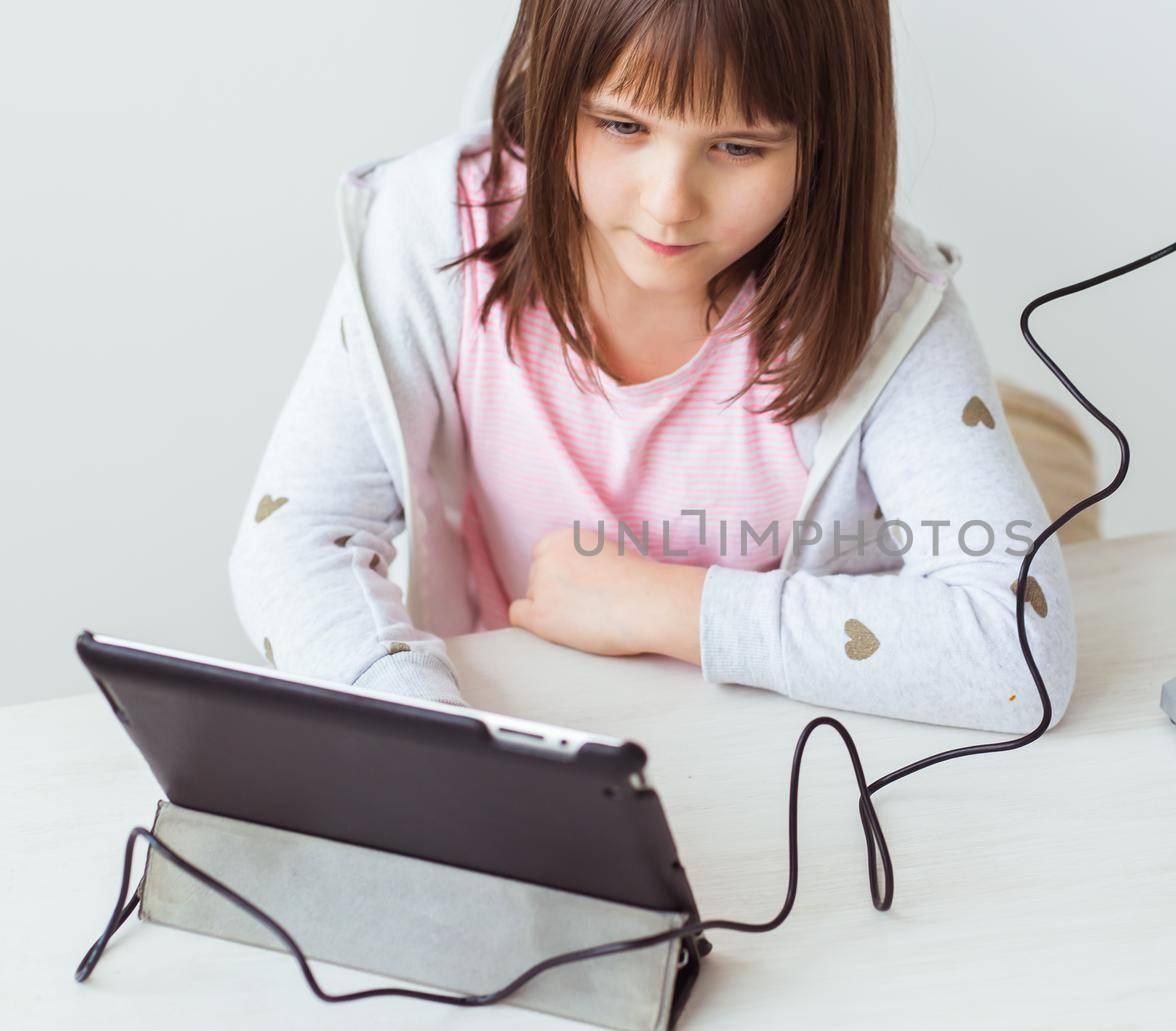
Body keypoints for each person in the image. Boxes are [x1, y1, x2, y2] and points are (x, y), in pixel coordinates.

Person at [228, 0, 1076, 732]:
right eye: (623, 126)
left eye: (740, 147)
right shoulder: (434, 235)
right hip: (527, 734)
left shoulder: (890, 308)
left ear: (826, 143)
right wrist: (433, 741)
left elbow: (1021, 646)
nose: (670, 201)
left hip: (794, 753)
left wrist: (673, 606)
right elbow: (290, 540)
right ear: (553, 87)